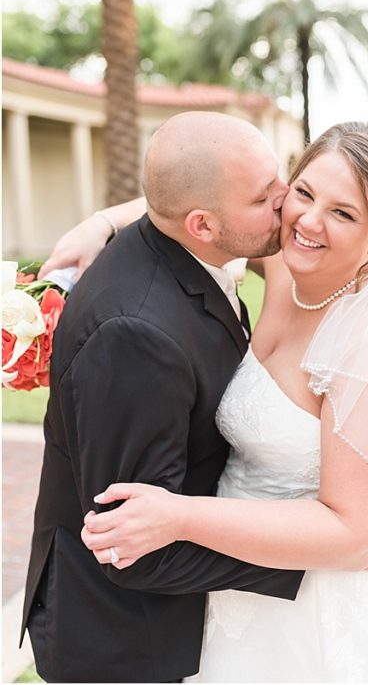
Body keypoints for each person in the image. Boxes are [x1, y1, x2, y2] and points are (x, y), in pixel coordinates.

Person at [65, 119, 368, 682]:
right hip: (230, 590)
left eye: (344, 213)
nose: (308, 221)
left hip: (319, 608)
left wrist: (181, 517)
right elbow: (200, 198)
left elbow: (358, 535)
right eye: (303, 193)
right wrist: (103, 222)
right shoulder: (286, 264)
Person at [21, 112, 306, 683]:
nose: (287, 201)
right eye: (263, 196)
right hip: (124, 645)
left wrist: (102, 218)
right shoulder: (136, 335)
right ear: (202, 224)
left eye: (280, 179)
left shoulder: (172, 240)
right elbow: (132, 547)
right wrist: (309, 559)